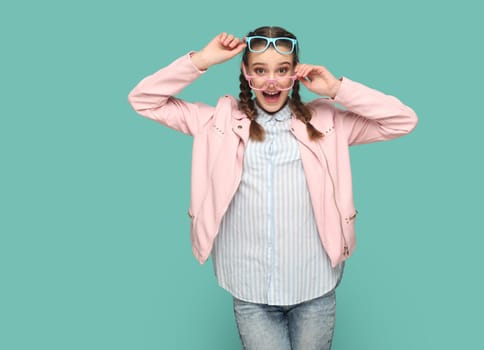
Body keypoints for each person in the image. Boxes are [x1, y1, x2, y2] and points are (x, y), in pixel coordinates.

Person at [128, 26, 418, 350]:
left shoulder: (327, 123)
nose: (271, 81)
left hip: (315, 287)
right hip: (251, 292)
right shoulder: (216, 124)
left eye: (282, 70)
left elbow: (402, 120)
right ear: (247, 74)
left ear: (295, 74)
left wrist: (337, 89)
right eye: (260, 70)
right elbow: (143, 100)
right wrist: (202, 60)